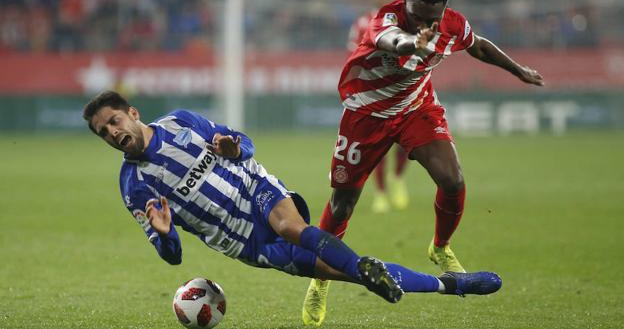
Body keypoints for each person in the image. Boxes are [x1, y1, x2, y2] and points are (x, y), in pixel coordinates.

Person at [83, 91, 502, 313]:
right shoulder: (134, 187)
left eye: (114, 121)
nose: (113, 133)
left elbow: (244, 143)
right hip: (245, 243)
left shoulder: (180, 122)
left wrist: (234, 150)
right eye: (104, 133)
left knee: (291, 226)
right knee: (347, 273)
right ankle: (450, 285)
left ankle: (361, 265)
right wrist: (165, 233)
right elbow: (171, 256)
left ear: (133, 114)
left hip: (256, 189)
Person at [302, 0, 543, 326]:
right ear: (407, 2)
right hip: (365, 114)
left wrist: (516, 69)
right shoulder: (385, 20)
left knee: (453, 180)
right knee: (342, 203)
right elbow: (393, 41)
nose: (422, 23)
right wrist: (412, 42)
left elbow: (476, 44)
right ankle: (319, 278)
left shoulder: (452, 24)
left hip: (415, 108)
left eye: (430, 18)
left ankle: (441, 248)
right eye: (416, 16)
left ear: (443, 10)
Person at [347, 0, 410, 213]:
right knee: (378, 145)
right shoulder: (363, 23)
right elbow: (353, 57)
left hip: (402, 90)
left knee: (405, 143)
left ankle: (398, 177)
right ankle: (381, 194)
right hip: (373, 92)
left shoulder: (404, 23)